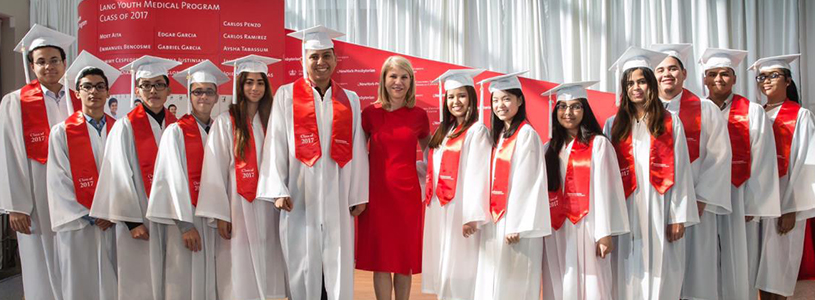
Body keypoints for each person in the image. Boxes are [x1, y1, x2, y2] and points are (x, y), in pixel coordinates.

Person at [256, 25, 369, 300]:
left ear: (335, 59)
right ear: (303, 60)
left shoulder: (349, 99)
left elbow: (357, 147)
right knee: (302, 263)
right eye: (314, 56)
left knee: (336, 261)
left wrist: (358, 195)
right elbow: (276, 142)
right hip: (299, 195)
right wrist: (278, 189)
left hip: (336, 194)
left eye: (326, 56)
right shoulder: (285, 95)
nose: (321, 62)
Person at [604, 46, 698, 299]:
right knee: (626, 271)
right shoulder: (613, 125)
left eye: (642, 81)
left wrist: (678, 215)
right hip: (625, 206)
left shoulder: (669, 121)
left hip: (660, 204)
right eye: (630, 83)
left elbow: (682, 171)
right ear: (624, 89)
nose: (636, 87)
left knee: (661, 269)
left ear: (651, 84)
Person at [195, 54, 288, 300]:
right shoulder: (226, 122)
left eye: (260, 82)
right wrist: (221, 214)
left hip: (270, 205)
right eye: (249, 82)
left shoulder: (274, 121)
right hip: (237, 204)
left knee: (269, 257)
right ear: (240, 86)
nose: (254, 88)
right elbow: (214, 168)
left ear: (266, 86)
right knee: (238, 263)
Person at [89, 55, 181, 300]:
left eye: (159, 85)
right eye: (146, 85)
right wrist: (131, 222)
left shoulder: (178, 126)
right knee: (138, 281)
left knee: (172, 277)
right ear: (137, 90)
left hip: (172, 217)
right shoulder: (125, 126)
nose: (153, 90)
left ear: (169, 90)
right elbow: (117, 175)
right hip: (139, 217)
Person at [0, 24, 77, 300]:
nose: (49, 67)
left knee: (75, 255)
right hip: (37, 192)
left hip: (74, 192)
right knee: (40, 258)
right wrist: (16, 205)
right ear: (32, 66)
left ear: (64, 62)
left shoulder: (78, 98)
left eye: (54, 60)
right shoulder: (15, 102)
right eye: (41, 61)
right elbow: (9, 155)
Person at [651, 43, 733, 300]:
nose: (667, 74)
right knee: (661, 271)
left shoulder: (705, 109)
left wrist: (700, 197)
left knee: (698, 270)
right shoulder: (643, 112)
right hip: (656, 203)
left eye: (673, 68)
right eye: (661, 69)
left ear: (684, 74)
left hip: (696, 205)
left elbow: (719, 155)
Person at [698, 47, 781, 300]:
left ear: (735, 78)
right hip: (705, 196)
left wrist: (754, 204)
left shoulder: (752, 112)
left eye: (725, 74)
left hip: (740, 193)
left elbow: (764, 160)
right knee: (704, 260)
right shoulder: (694, 111)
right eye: (712, 74)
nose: (718, 79)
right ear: (704, 79)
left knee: (740, 259)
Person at [145, 60, 228, 300]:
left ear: (217, 97)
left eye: (209, 91)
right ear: (189, 95)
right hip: (188, 218)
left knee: (213, 280)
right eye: (197, 91)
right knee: (182, 281)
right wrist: (185, 225)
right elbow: (170, 179)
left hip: (214, 219)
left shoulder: (221, 130)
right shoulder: (176, 131)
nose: (203, 96)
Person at [540, 81, 630, 300]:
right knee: (559, 279)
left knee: (593, 283)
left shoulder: (598, 144)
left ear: (585, 110)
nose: (568, 112)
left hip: (589, 226)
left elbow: (607, 191)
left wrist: (604, 233)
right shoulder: (548, 148)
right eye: (562, 107)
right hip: (557, 228)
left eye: (575, 106)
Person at [46, 51, 120, 300]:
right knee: (81, 284)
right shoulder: (62, 132)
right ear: (77, 93)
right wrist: (91, 214)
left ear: (108, 92)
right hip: (79, 224)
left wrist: (113, 212)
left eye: (100, 87)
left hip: (114, 222)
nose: (94, 92)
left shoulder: (120, 130)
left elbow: (126, 178)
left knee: (115, 283)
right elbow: (58, 180)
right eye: (86, 87)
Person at [355, 56, 430, 300]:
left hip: (406, 198)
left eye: (404, 77)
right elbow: (356, 156)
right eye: (393, 76)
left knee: (403, 260)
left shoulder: (419, 115)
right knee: (381, 260)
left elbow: (432, 155)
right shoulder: (369, 114)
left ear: (411, 81)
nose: (398, 82)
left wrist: (421, 178)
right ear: (384, 80)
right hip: (376, 197)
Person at [472, 71, 551, 300]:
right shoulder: (500, 135)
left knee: (516, 282)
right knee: (497, 280)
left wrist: (517, 224)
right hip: (497, 220)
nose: (500, 105)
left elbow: (528, 182)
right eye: (495, 100)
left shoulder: (526, 134)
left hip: (516, 225)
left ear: (519, 101)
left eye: (506, 98)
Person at [749, 54, 815, 300]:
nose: (766, 81)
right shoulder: (753, 114)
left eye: (773, 76)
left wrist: (791, 209)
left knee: (777, 271)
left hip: (783, 202)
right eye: (762, 77)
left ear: (788, 81)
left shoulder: (800, 116)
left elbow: (806, 165)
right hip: (755, 203)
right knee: (755, 268)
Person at [421, 68, 491, 300]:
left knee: (462, 266)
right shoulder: (445, 131)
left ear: (472, 97)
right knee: (444, 262)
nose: (455, 101)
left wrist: (472, 214)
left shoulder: (477, 131)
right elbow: (432, 168)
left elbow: (478, 174)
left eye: (461, 95)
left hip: (461, 209)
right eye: (450, 97)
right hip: (440, 207)